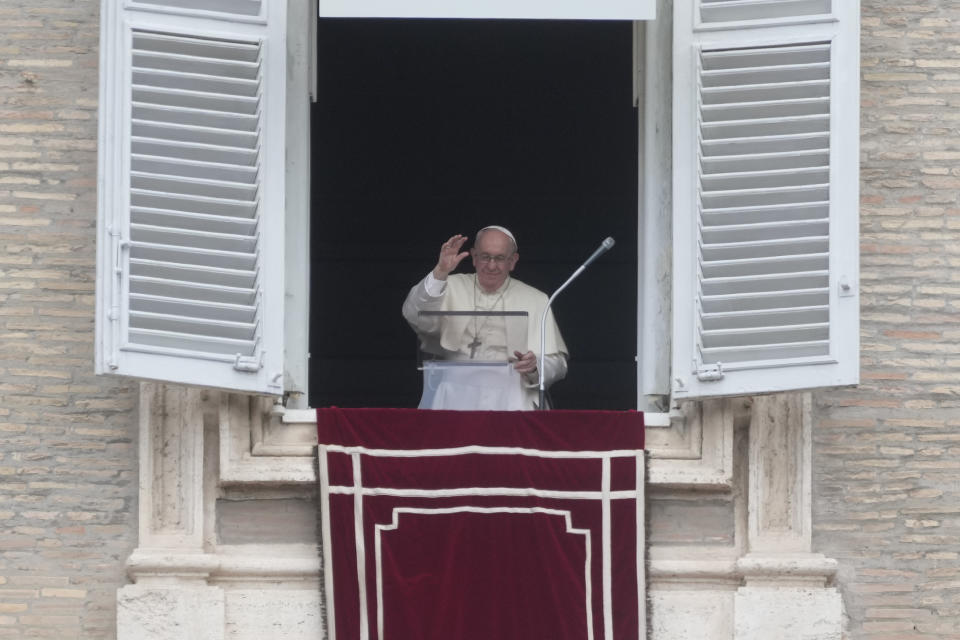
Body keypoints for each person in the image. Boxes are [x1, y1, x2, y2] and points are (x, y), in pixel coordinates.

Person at [403, 225, 568, 410]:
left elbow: (558, 364)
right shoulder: (448, 286)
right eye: (485, 257)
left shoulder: (536, 298)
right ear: (474, 257)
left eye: (499, 258)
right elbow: (414, 315)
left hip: (513, 399)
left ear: (513, 261)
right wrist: (440, 271)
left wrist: (535, 365)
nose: (491, 265)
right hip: (455, 396)